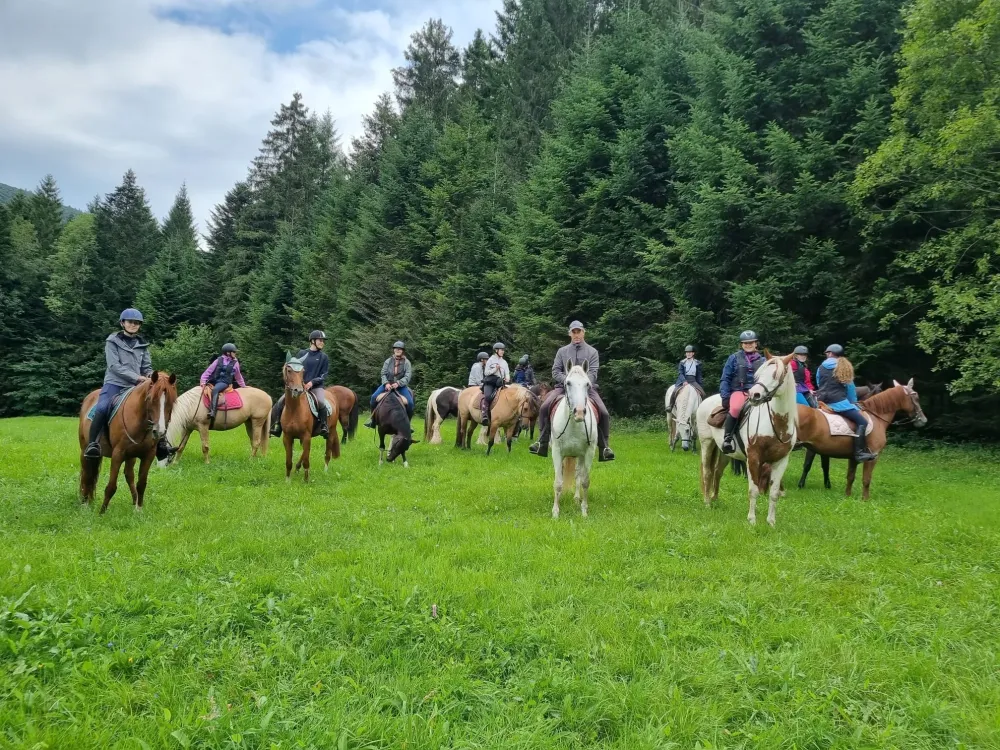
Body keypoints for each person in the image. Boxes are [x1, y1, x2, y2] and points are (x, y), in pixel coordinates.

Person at [84, 308, 167, 458]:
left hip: (136, 387)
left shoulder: (143, 345)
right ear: (122, 323)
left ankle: (161, 444)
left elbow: (147, 367)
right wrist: (137, 378)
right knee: (102, 408)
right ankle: (93, 444)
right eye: (130, 322)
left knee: (158, 405)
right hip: (115, 384)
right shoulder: (112, 341)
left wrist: (150, 375)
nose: (133, 325)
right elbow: (114, 366)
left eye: (137, 323)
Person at [529, 321, 615, 462]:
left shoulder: (592, 352)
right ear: (570, 334)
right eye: (573, 332)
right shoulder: (562, 351)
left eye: (578, 332)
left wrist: (581, 382)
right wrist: (568, 380)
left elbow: (593, 373)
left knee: (604, 412)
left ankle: (604, 448)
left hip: (586, 388)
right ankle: (542, 442)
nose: (576, 335)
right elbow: (555, 371)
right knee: (544, 407)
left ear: (583, 332)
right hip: (563, 387)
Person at [815, 344, 877, 462]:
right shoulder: (843, 366)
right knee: (862, 422)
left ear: (830, 353)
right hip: (838, 403)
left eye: (827, 353)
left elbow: (819, 383)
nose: (827, 355)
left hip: (822, 402)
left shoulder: (821, 367)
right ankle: (859, 453)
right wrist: (852, 402)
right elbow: (849, 387)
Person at [270, 330, 331, 438]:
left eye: (323, 341)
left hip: (316, 387)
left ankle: (324, 426)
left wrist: (311, 383)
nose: (322, 342)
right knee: (280, 402)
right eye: (320, 340)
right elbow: (295, 370)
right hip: (299, 387)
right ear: (312, 341)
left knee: (321, 402)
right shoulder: (302, 354)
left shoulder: (324, 357)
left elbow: (324, 375)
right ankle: (277, 426)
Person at [719, 330, 765, 454]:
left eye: (751, 342)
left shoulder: (763, 360)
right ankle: (727, 439)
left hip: (758, 392)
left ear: (756, 343)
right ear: (741, 344)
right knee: (735, 409)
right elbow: (725, 378)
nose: (748, 345)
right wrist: (725, 396)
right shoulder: (733, 358)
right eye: (745, 343)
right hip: (739, 391)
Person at [365, 340, 414, 427]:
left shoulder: (407, 362)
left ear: (403, 351)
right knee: (373, 398)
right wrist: (386, 383)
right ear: (394, 350)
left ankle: (408, 424)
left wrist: (398, 383)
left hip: (401, 387)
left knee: (410, 403)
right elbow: (383, 373)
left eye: (400, 349)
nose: (397, 350)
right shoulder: (388, 361)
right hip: (387, 385)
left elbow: (407, 376)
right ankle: (373, 421)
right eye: (396, 348)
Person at [200, 343, 247, 421]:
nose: (235, 353)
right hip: (215, 381)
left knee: (215, 389)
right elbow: (208, 372)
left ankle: (213, 412)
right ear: (228, 353)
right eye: (234, 352)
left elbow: (238, 376)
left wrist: (243, 386)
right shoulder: (218, 360)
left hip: (225, 382)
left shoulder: (235, 363)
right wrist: (203, 382)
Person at [480, 342, 511, 425]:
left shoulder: (504, 362)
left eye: (503, 350)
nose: (503, 351)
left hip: (500, 382)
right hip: (490, 382)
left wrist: (507, 378)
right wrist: (495, 369)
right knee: (487, 396)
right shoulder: (490, 360)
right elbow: (486, 373)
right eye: (501, 350)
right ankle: (484, 414)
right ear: (496, 350)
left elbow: (507, 373)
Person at [666, 345, 703, 410]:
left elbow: (699, 375)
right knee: (674, 391)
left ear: (693, 353)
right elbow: (680, 373)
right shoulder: (682, 362)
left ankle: (701, 408)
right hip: (683, 380)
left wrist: (700, 384)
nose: (688, 354)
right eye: (687, 352)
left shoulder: (697, 363)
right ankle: (670, 406)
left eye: (690, 352)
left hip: (693, 380)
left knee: (703, 393)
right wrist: (684, 381)